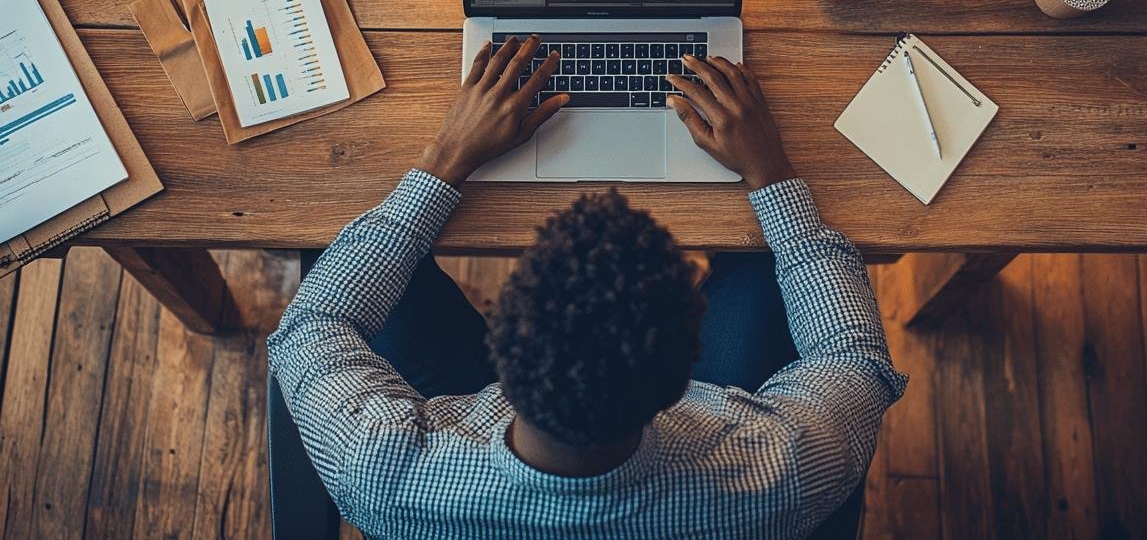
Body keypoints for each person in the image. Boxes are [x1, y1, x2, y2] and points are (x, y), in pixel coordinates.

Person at [268, 34, 908, 539]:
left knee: (350, 262)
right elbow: (851, 363)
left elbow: (306, 331)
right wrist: (769, 172)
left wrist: (447, 157)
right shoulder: (778, 476)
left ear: (498, 356)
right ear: (687, 375)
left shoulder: (378, 470)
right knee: (764, 267)